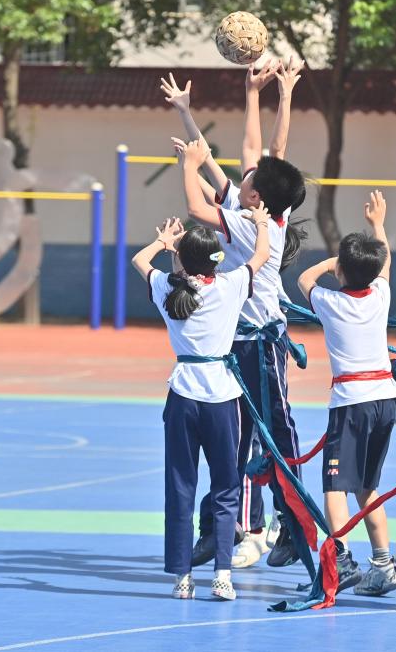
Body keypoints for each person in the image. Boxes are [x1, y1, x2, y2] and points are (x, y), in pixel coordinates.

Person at [163, 59, 308, 569]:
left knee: (273, 432)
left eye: (248, 177)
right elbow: (259, 151)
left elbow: (204, 193)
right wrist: (258, 95)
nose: (242, 172)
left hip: (261, 343)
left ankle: (292, 525)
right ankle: (233, 527)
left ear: (256, 193)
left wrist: (189, 162)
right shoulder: (260, 209)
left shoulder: (249, 223)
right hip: (236, 343)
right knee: (237, 436)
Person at [130, 197, 270, 599]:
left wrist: (163, 243)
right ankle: (223, 574)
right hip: (222, 398)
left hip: (182, 396)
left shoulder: (167, 287)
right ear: (216, 262)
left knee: (180, 486)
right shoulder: (230, 285)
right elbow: (262, 256)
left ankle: (182, 577)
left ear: (181, 260)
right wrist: (261, 222)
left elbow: (140, 260)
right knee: (226, 486)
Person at [297, 190, 396, 596]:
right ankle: (384, 563)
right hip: (385, 400)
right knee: (367, 487)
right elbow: (386, 264)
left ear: (341, 270)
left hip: (352, 402)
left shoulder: (330, 302)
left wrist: (332, 262)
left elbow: (304, 280)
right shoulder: (381, 295)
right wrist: (378, 225)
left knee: (334, 486)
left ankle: (341, 559)